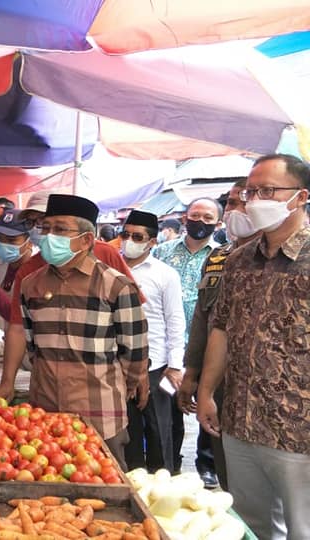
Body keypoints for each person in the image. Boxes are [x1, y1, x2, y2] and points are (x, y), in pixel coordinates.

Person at [197, 154, 310, 539]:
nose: (255, 200)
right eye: (251, 191)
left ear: (300, 196)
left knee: (302, 528)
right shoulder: (240, 260)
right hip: (240, 420)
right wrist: (207, 391)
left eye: (268, 191)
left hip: (299, 430)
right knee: (250, 525)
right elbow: (222, 329)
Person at [0, 194, 149, 465]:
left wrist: (119, 385)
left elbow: (134, 354)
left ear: (87, 240)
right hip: (47, 411)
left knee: (109, 480)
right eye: (45, 228)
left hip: (100, 413)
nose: (49, 236)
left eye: (60, 229)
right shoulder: (30, 284)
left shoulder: (117, 286)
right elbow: (30, 343)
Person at [177, 179, 258, 490]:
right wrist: (192, 375)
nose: (236, 210)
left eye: (244, 202)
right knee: (230, 481)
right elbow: (204, 319)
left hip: (274, 396)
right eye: (233, 203)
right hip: (220, 385)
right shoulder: (219, 258)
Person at [152, 196, 222, 486]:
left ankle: (207, 464)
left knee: (210, 401)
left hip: (209, 343)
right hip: (169, 343)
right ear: (185, 218)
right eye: (196, 215)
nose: (200, 222)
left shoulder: (222, 256)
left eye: (208, 218)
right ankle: (173, 461)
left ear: (218, 223)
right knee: (170, 406)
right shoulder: (161, 252)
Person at [119, 210, 185, 472]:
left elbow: (175, 320)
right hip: (121, 361)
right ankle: (133, 480)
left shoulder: (165, 274)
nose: (129, 241)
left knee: (159, 429)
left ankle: (163, 479)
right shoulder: (112, 267)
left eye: (137, 236)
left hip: (157, 364)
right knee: (128, 429)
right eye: (126, 234)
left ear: (152, 242)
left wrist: (175, 364)